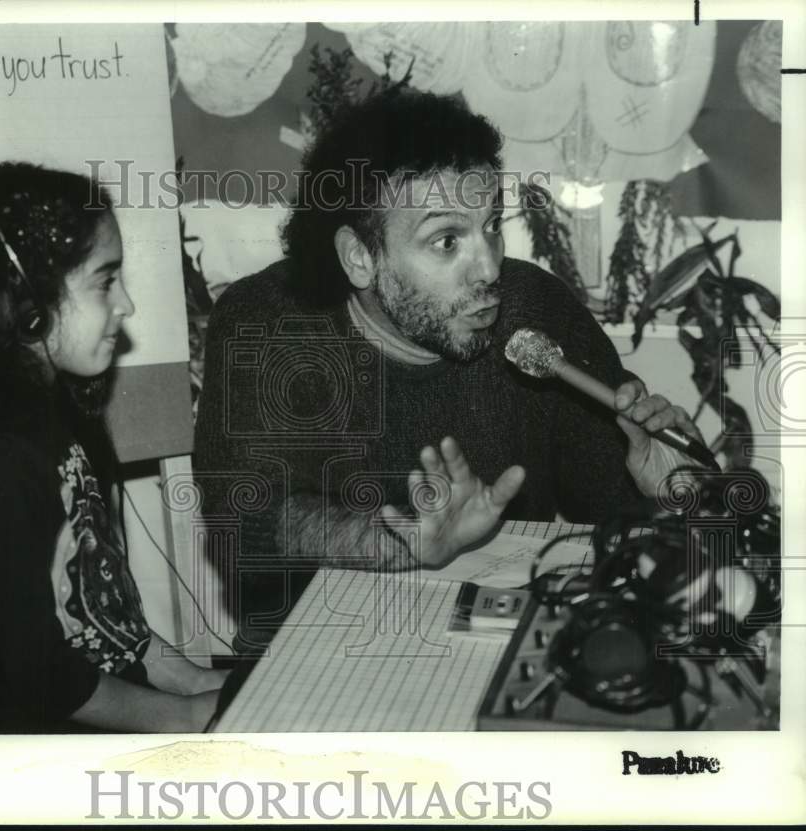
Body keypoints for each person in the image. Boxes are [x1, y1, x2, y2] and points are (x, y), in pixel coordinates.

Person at [194, 90, 706, 654]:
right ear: (360, 257)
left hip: (491, 636)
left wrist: (673, 494)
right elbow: (248, 518)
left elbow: (611, 519)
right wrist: (401, 541)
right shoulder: (267, 323)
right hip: (322, 641)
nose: (488, 267)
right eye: (446, 240)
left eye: (490, 225)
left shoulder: (536, 311)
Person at [0, 162, 227, 732]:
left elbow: (108, 617)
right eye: (104, 281)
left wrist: (195, 682)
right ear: (29, 301)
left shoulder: (57, 413)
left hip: (97, 702)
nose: (127, 305)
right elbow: (30, 676)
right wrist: (182, 716)